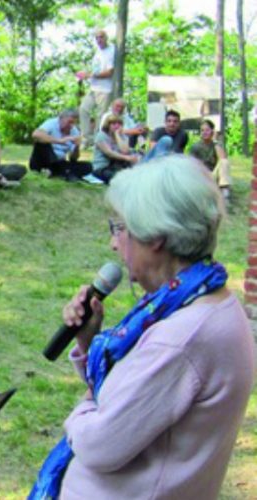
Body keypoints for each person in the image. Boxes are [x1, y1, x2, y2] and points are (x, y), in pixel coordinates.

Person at [29, 155, 256, 499]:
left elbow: (99, 445)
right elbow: (139, 400)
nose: (113, 243)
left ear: (156, 237)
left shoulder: (181, 339)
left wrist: (82, 408)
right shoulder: (202, 301)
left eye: (120, 228)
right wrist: (90, 343)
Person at [30, 109, 93, 182]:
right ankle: (63, 173)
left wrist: (77, 146)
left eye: (74, 123)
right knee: (41, 142)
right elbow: (36, 134)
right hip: (43, 160)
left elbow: (73, 159)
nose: (71, 126)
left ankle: (57, 172)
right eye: (69, 122)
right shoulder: (52, 123)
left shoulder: (74, 132)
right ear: (61, 119)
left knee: (88, 166)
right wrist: (59, 141)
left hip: (59, 162)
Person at [77, 30, 115, 148]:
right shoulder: (98, 52)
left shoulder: (111, 50)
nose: (99, 40)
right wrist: (84, 75)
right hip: (93, 88)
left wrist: (91, 75)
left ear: (106, 37)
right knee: (83, 109)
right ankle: (86, 139)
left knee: (101, 116)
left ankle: (98, 142)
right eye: (97, 38)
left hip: (105, 89)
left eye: (101, 37)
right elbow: (96, 70)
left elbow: (110, 72)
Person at [189, 119, 231, 204]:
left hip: (214, 175)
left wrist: (215, 141)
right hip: (201, 177)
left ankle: (224, 192)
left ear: (212, 131)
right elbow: (190, 165)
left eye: (207, 130)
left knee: (224, 162)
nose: (204, 132)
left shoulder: (217, 145)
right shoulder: (195, 147)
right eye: (202, 130)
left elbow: (223, 159)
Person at [91, 114, 139, 184]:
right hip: (103, 168)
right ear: (108, 125)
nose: (117, 126)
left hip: (118, 166)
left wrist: (117, 135)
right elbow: (109, 153)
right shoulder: (101, 136)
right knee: (120, 179)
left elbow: (125, 151)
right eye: (114, 124)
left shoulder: (122, 136)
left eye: (119, 124)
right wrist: (126, 158)